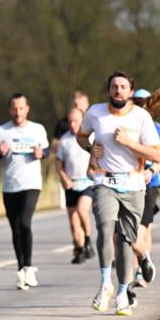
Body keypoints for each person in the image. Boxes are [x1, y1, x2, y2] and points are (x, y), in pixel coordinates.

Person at [77, 72, 160, 317]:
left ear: (130, 92)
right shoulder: (95, 112)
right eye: (114, 86)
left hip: (134, 184)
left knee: (125, 240)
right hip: (104, 180)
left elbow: (156, 155)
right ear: (108, 91)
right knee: (106, 229)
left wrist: (128, 142)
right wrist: (89, 148)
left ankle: (123, 292)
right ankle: (106, 284)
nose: (118, 90)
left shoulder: (141, 117)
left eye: (123, 87)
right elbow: (81, 136)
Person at [0, 93, 50, 289]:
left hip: (31, 184)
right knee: (15, 228)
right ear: (9, 109)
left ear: (27, 109)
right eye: (14, 108)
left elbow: (46, 151)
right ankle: (21, 268)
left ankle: (29, 267)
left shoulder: (38, 129)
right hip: (10, 186)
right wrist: (0, 153)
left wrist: (42, 154)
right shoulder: (1, 131)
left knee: (25, 222)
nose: (17, 111)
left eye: (21, 108)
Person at [129, 87, 160, 302]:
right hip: (126, 185)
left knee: (141, 233)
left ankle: (139, 270)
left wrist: (152, 170)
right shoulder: (123, 126)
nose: (138, 104)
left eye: (141, 101)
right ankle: (135, 271)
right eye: (135, 100)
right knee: (126, 236)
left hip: (150, 184)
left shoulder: (156, 129)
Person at [55, 107, 95, 265]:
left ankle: (87, 238)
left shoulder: (90, 136)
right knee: (73, 220)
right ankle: (79, 249)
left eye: (76, 121)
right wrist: (64, 177)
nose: (72, 124)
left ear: (83, 120)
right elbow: (59, 164)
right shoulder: (64, 140)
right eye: (70, 121)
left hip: (87, 182)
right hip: (71, 183)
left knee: (82, 209)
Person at [50, 90, 90, 156]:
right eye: (75, 104)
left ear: (87, 105)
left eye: (81, 104)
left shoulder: (93, 122)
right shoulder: (62, 124)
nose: (78, 107)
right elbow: (54, 149)